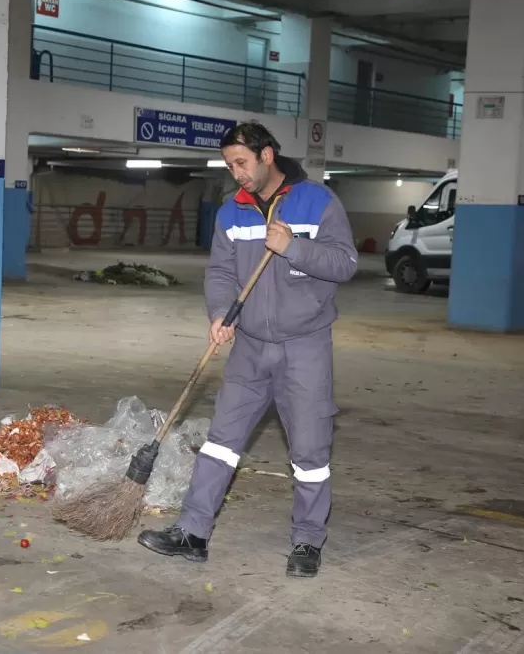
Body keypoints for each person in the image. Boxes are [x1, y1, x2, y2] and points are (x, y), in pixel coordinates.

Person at [137, 121, 358, 578]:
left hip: (305, 346)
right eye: (229, 165)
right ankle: (192, 532)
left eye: (241, 162)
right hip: (251, 347)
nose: (235, 172)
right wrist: (220, 313)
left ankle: (307, 541)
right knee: (221, 442)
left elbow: (345, 263)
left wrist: (293, 246)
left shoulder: (316, 201)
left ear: (266, 155)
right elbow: (220, 272)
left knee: (310, 452)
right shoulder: (230, 212)